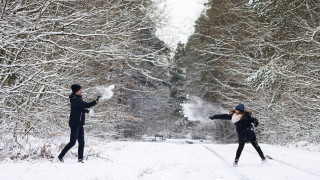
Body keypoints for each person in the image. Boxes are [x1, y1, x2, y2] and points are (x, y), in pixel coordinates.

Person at [58, 84, 100, 163]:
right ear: (76, 91)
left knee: (81, 142)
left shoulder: (78, 98)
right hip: (75, 124)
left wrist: (88, 111)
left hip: (80, 123)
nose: (81, 91)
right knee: (72, 142)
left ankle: (80, 159)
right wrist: (95, 101)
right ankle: (60, 156)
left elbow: (81, 109)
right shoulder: (74, 99)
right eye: (80, 90)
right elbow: (85, 105)